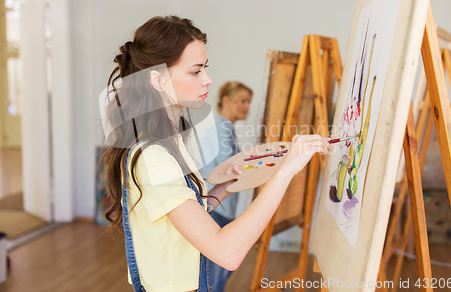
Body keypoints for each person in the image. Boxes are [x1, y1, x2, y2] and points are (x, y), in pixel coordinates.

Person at [101, 15, 330, 292]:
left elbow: (180, 220)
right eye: (195, 71)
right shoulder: (153, 156)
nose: (208, 80)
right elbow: (227, 253)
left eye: (205, 68)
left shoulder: (169, 142)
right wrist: (285, 171)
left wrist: (220, 190)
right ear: (157, 80)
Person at [199, 81, 252, 292]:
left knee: (216, 272)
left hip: (219, 206)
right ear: (225, 100)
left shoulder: (223, 126)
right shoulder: (221, 127)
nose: (246, 106)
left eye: (248, 102)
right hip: (216, 207)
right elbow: (229, 167)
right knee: (216, 275)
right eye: (241, 100)